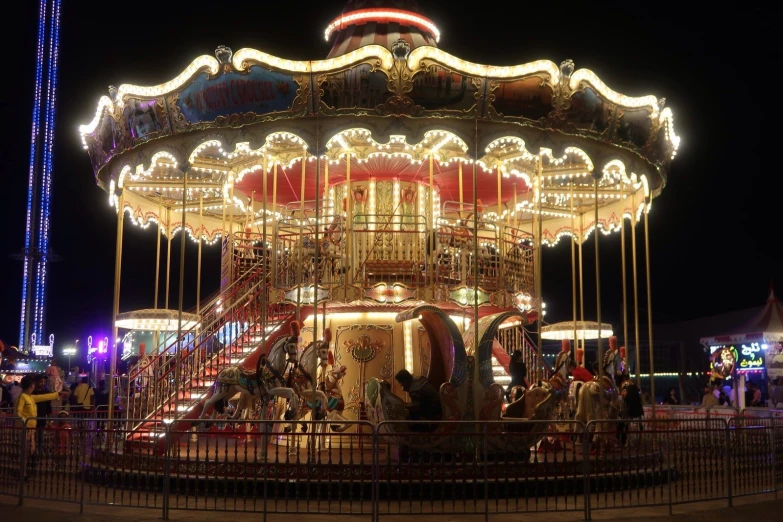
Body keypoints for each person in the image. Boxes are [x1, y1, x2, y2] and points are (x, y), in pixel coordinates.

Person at [15, 375, 67, 480]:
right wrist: (25, 423)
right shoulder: (22, 397)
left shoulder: (30, 397)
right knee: (26, 452)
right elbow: (18, 413)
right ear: (31, 385)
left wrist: (58, 394)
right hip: (26, 430)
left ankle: (23, 472)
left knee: (29, 451)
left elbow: (44, 397)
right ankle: (22, 474)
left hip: (31, 430)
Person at [33, 376, 53, 448]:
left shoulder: (46, 393)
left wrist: (49, 420)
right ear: (36, 382)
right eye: (41, 381)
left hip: (41, 419)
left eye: (44, 382)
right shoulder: (32, 393)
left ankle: (38, 453)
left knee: (40, 438)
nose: (43, 383)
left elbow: (49, 408)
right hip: (32, 419)